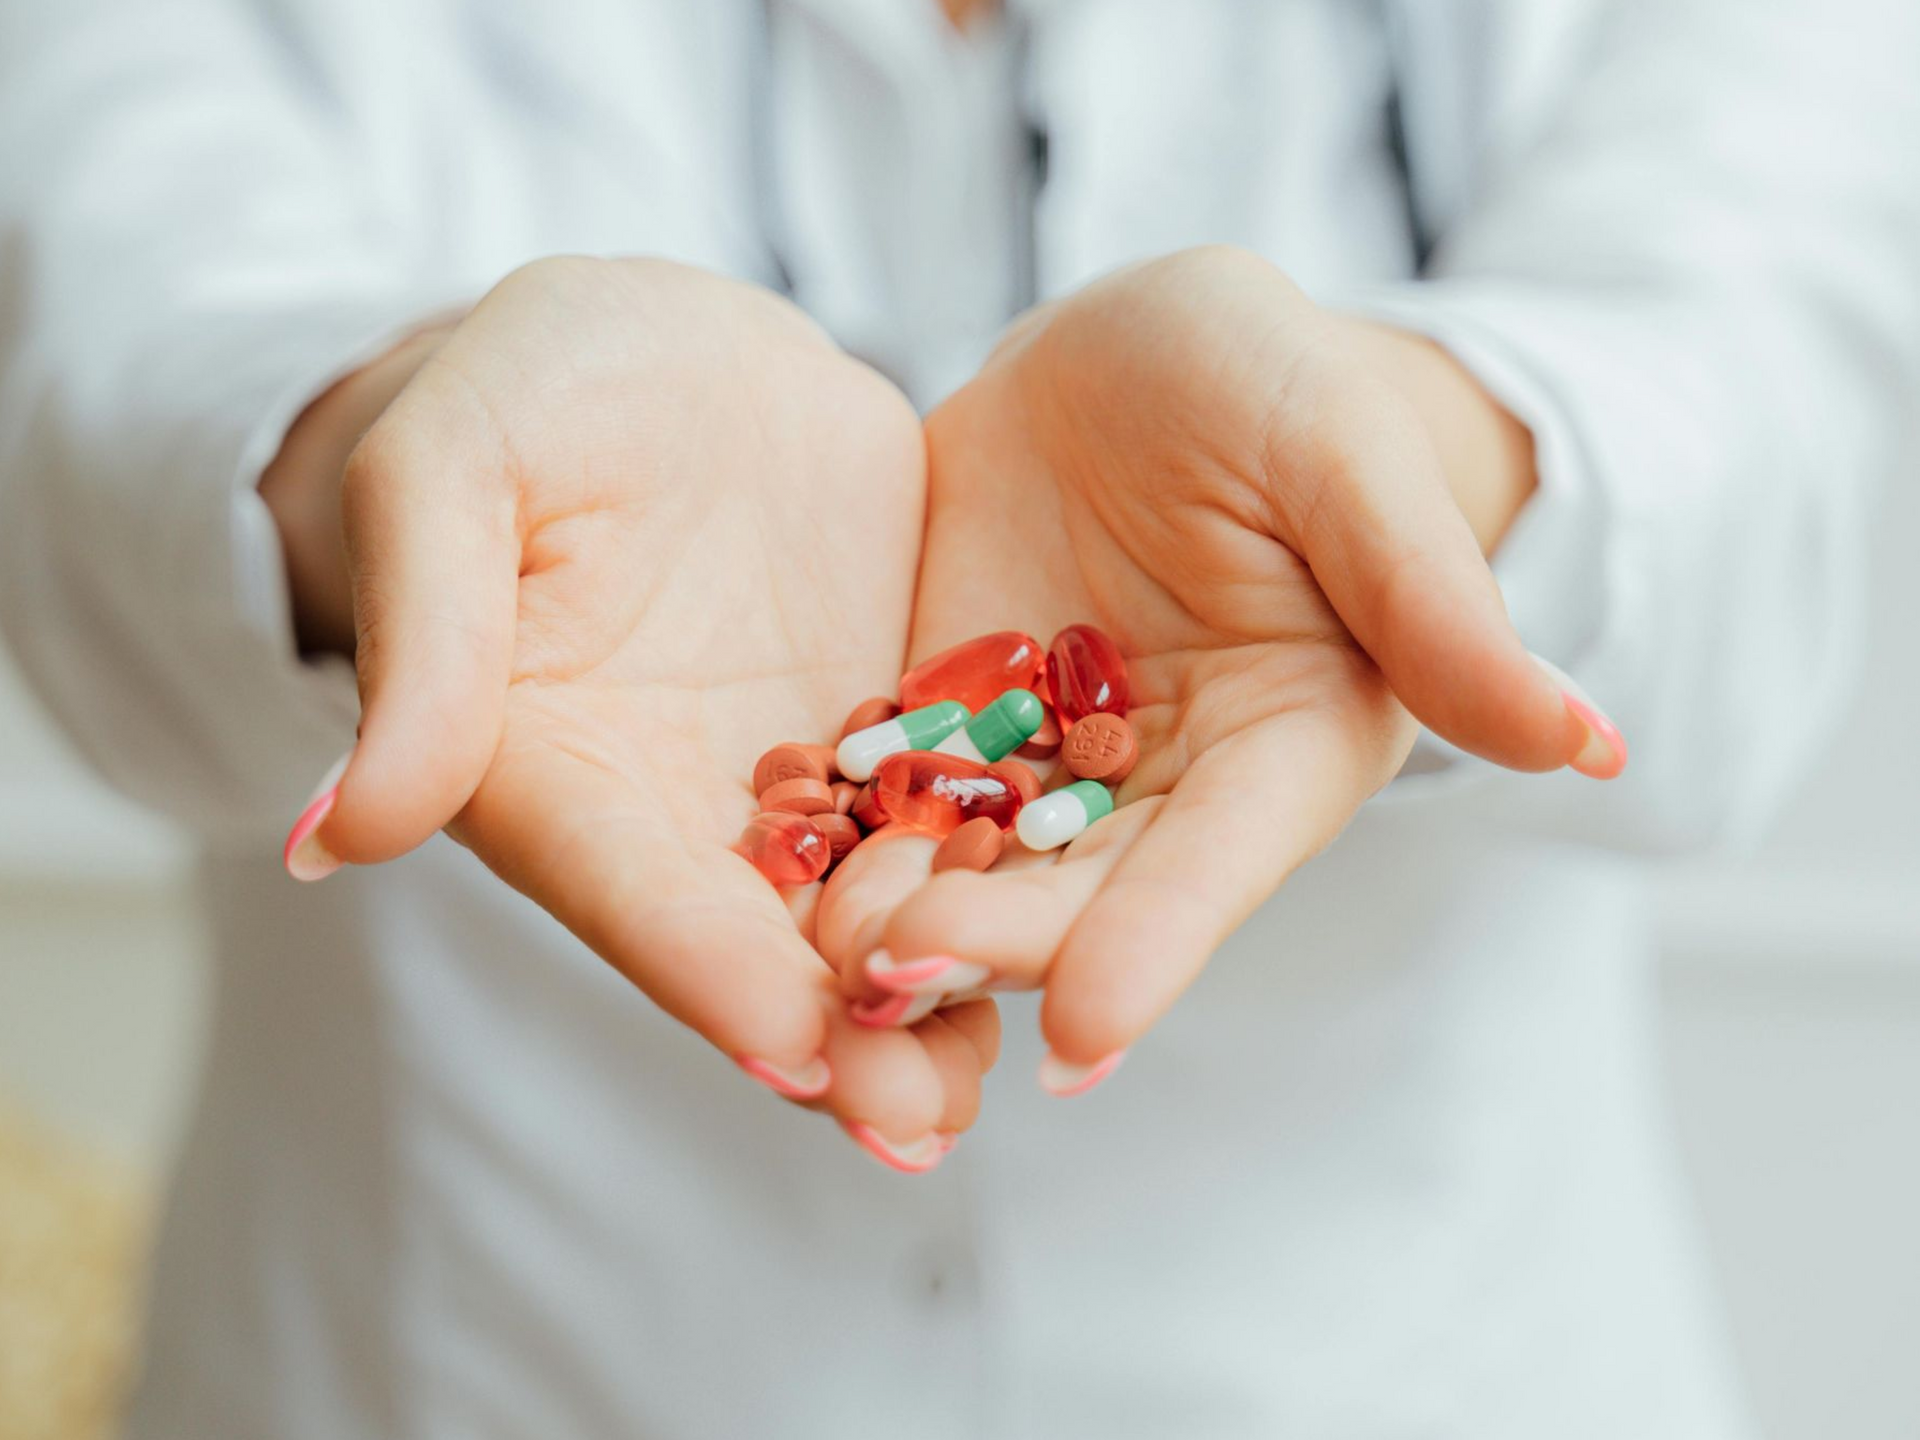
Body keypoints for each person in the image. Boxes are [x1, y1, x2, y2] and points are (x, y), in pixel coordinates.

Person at [2, 0, 1914, 1434]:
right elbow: (102, 382)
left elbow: (1756, 385)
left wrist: (1416, 460)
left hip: (1414, 1357)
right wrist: (392, 461)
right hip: (480, 1349)